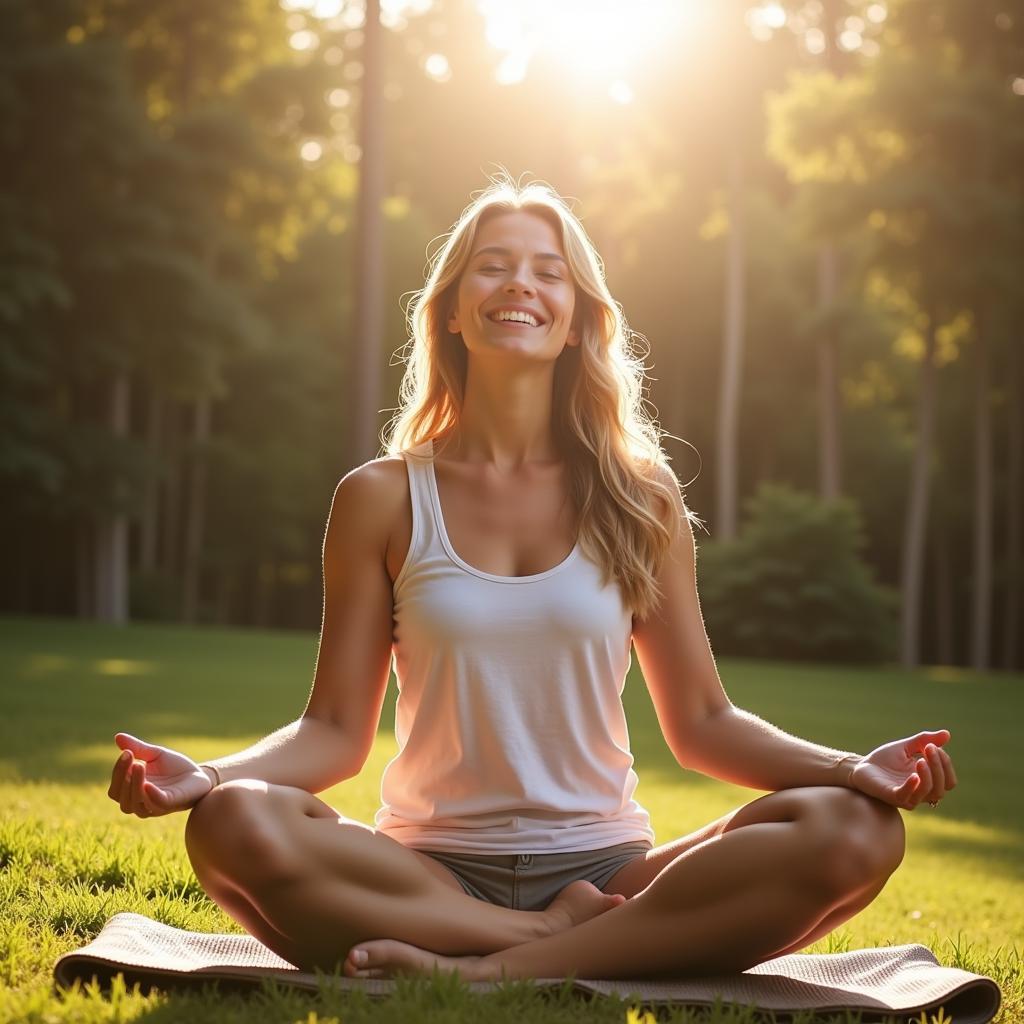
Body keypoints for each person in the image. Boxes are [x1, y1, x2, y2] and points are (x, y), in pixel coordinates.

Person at [107, 175, 956, 983]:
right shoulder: (381, 497)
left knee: (855, 832)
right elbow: (333, 731)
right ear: (450, 314)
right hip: (422, 877)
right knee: (233, 823)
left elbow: (702, 723)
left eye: (549, 272)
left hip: (612, 871)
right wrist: (208, 778)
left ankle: (486, 972)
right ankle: (546, 944)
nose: (521, 284)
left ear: (581, 321)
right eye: (494, 264)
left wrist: (850, 769)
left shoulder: (640, 498)